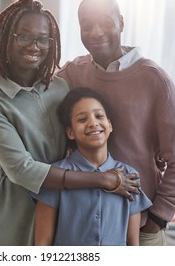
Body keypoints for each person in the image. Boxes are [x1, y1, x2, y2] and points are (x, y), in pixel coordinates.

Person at [0, 0, 175, 246]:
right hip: (76, 220)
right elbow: (29, 110)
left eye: (106, 22)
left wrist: (157, 218)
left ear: (121, 22)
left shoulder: (153, 79)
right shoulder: (72, 75)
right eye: (87, 25)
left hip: (136, 220)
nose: (96, 32)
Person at [33, 87, 152, 246]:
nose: (93, 123)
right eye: (82, 119)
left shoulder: (130, 176)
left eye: (99, 116)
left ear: (109, 125)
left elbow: (132, 244)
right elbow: (42, 244)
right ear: (70, 132)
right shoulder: (54, 176)